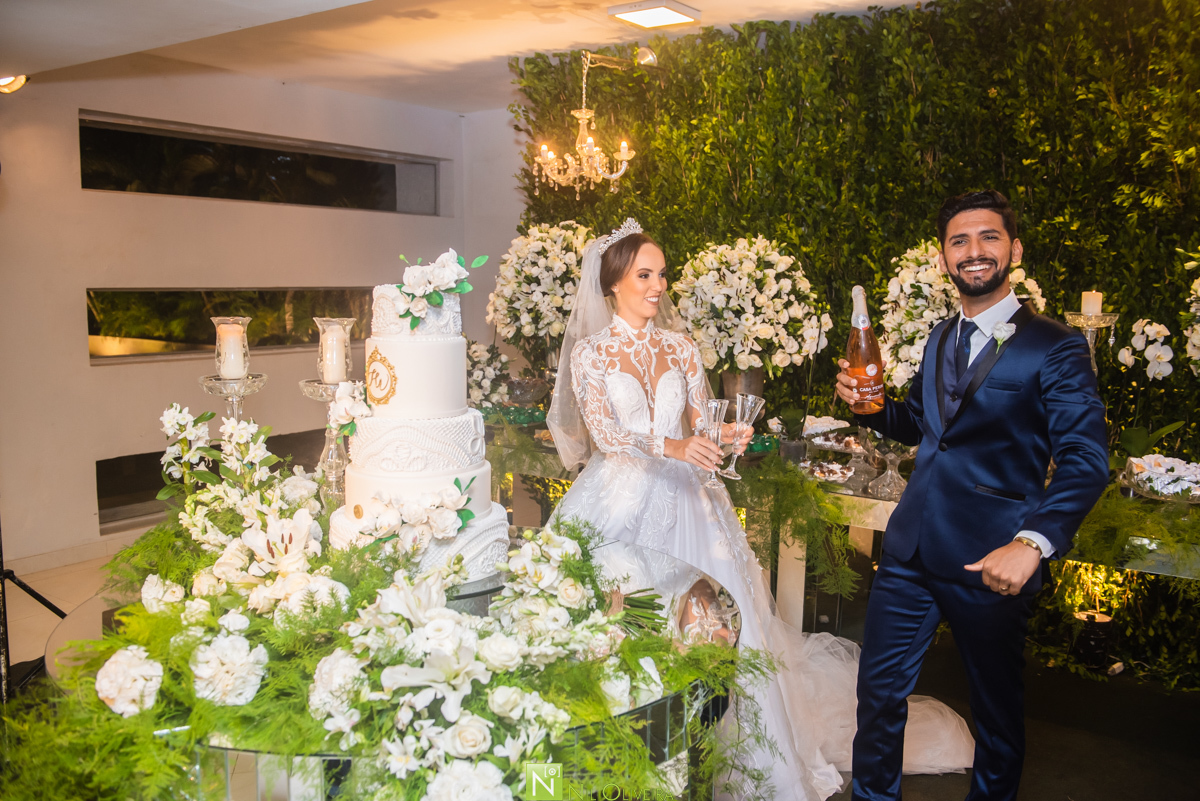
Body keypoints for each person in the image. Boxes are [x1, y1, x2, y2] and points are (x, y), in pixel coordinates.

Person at [548, 218, 976, 801]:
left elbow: (699, 419)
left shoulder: (679, 345)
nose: (657, 285)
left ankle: (729, 754)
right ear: (613, 284)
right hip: (620, 499)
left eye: (662, 274)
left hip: (691, 501)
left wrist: (723, 435)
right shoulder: (593, 355)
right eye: (644, 274)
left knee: (724, 628)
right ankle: (618, 750)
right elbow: (607, 434)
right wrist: (672, 445)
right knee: (620, 620)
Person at [836, 190, 1110, 801]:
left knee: (996, 714)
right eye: (959, 241)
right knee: (878, 697)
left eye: (988, 237)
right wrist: (872, 408)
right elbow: (927, 427)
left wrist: (1032, 543)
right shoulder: (940, 336)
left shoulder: (1054, 345)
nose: (974, 251)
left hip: (991, 557)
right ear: (943, 259)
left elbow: (1087, 459)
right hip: (910, 550)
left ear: (1014, 249)